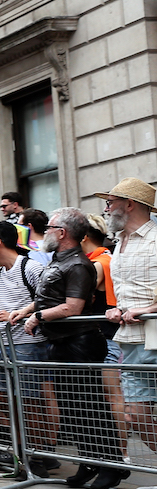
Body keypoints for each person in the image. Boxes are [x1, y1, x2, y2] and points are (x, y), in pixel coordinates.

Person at [3, 208, 124, 489]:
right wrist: (26, 310)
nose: (45, 232)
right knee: (73, 408)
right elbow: (48, 297)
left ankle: (111, 465)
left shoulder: (79, 264)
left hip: (79, 343)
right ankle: (89, 461)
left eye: (50, 227)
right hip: (61, 342)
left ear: (63, 232)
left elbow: (73, 306)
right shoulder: (59, 260)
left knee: (91, 407)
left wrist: (38, 317)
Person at [0, 221, 54, 474]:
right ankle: (20, 451)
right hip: (3, 345)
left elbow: (49, 298)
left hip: (29, 344)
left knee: (30, 402)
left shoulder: (32, 267)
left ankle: (38, 455)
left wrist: (20, 312)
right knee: (4, 400)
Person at [100, 180, 157, 473]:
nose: (106, 209)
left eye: (110, 202)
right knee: (135, 414)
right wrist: (118, 310)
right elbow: (129, 290)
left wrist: (147, 309)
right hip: (132, 340)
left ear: (129, 204)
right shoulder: (119, 242)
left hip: (154, 334)